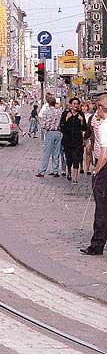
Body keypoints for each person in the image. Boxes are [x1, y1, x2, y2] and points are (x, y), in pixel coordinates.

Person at [81, 94, 107, 256]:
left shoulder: (104, 125)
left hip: (103, 167)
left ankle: (97, 244)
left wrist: (96, 169)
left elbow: (104, 154)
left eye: (98, 107)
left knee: (101, 208)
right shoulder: (96, 122)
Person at [60, 97, 89, 185]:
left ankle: (75, 178)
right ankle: (69, 170)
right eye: (74, 104)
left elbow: (84, 128)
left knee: (76, 158)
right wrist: (66, 119)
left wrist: (81, 122)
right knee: (69, 159)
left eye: (77, 104)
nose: (76, 105)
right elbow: (61, 127)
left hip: (77, 141)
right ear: (70, 105)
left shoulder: (80, 114)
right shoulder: (65, 113)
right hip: (67, 141)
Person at [36, 94, 63, 178]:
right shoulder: (59, 112)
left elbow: (43, 125)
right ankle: (55, 171)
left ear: (48, 104)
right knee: (56, 153)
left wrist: (44, 127)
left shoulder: (46, 112)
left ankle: (42, 171)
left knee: (47, 153)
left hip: (49, 133)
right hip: (58, 133)